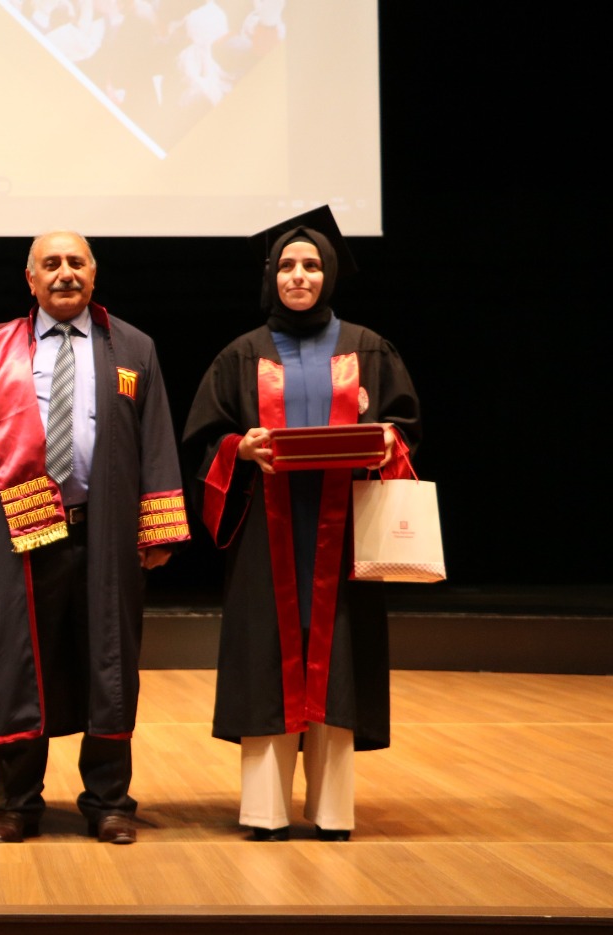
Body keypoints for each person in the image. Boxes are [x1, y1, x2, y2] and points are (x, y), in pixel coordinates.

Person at [181, 206, 421, 842]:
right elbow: (205, 440)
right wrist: (240, 449)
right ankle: (265, 810)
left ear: (329, 274)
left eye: (311, 265)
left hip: (344, 535)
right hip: (269, 535)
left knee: (338, 658)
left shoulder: (369, 349)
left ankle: (332, 810)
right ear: (271, 276)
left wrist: (386, 441)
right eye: (287, 265)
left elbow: (405, 430)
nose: (299, 275)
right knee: (269, 656)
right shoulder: (242, 355)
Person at [0, 231, 189, 845]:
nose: (65, 273)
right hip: (18, 533)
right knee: (16, 664)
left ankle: (109, 802)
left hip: (105, 531)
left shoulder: (133, 347)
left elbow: (156, 438)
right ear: (30, 278)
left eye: (76, 262)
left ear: (94, 272)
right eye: (51, 263)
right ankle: (15, 804)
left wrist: (158, 526)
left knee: (109, 665)